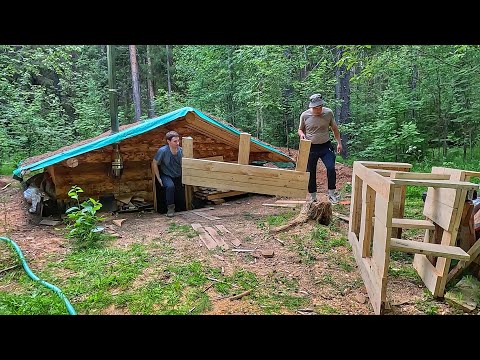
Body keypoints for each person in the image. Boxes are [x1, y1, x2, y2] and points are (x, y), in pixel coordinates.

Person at [298, 93, 343, 204]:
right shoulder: (305, 115)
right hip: (311, 147)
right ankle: (313, 197)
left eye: (319, 107)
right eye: (315, 108)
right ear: (311, 107)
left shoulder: (328, 113)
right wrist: (302, 135)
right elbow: (300, 130)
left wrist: (339, 143)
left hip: (325, 146)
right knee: (311, 171)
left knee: (331, 167)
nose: (317, 110)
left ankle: (332, 194)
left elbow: (335, 129)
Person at [152, 131, 184, 217]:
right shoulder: (162, 151)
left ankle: (180, 208)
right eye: (175, 141)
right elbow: (154, 163)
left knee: (180, 191)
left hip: (177, 174)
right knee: (170, 186)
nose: (177, 143)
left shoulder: (181, 151)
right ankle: (170, 209)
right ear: (168, 141)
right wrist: (158, 178)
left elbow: (184, 164)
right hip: (166, 174)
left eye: (178, 141)